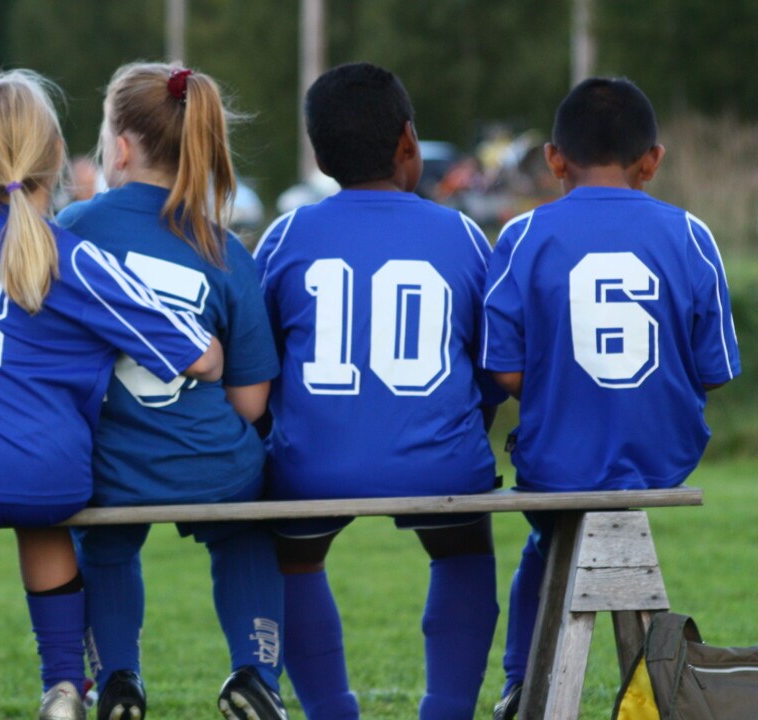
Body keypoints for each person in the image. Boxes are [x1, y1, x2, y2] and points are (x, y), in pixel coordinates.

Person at [0, 69, 223, 720]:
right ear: (56, 159)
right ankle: (62, 688)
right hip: (46, 471)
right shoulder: (68, 256)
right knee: (41, 518)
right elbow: (195, 353)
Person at [253, 62, 505, 720]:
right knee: (462, 548)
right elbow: (492, 359)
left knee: (293, 556)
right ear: (408, 143)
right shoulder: (461, 235)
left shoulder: (285, 236)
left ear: (318, 153)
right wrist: (465, 415)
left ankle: (332, 712)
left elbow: (259, 358)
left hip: (313, 463)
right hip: (438, 458)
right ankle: (446, 710)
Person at [482, 77, 740, 720]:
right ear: (652, 159)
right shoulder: (691, 235)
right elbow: (716, 369)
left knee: (545, 540)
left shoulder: (522, 235)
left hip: (559, 461)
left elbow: (505, 373)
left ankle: (519, 680)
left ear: (553, 158)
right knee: (564, 529)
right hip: (664, 456)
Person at [57, 62, 285, 720]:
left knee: (103, 541)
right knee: (245, 529)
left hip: (109, 464)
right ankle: (255, 671)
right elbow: (250, 404)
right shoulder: (221, 247)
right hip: (209, 462)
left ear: (121, 146)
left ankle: (119, 677)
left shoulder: (73, 225)